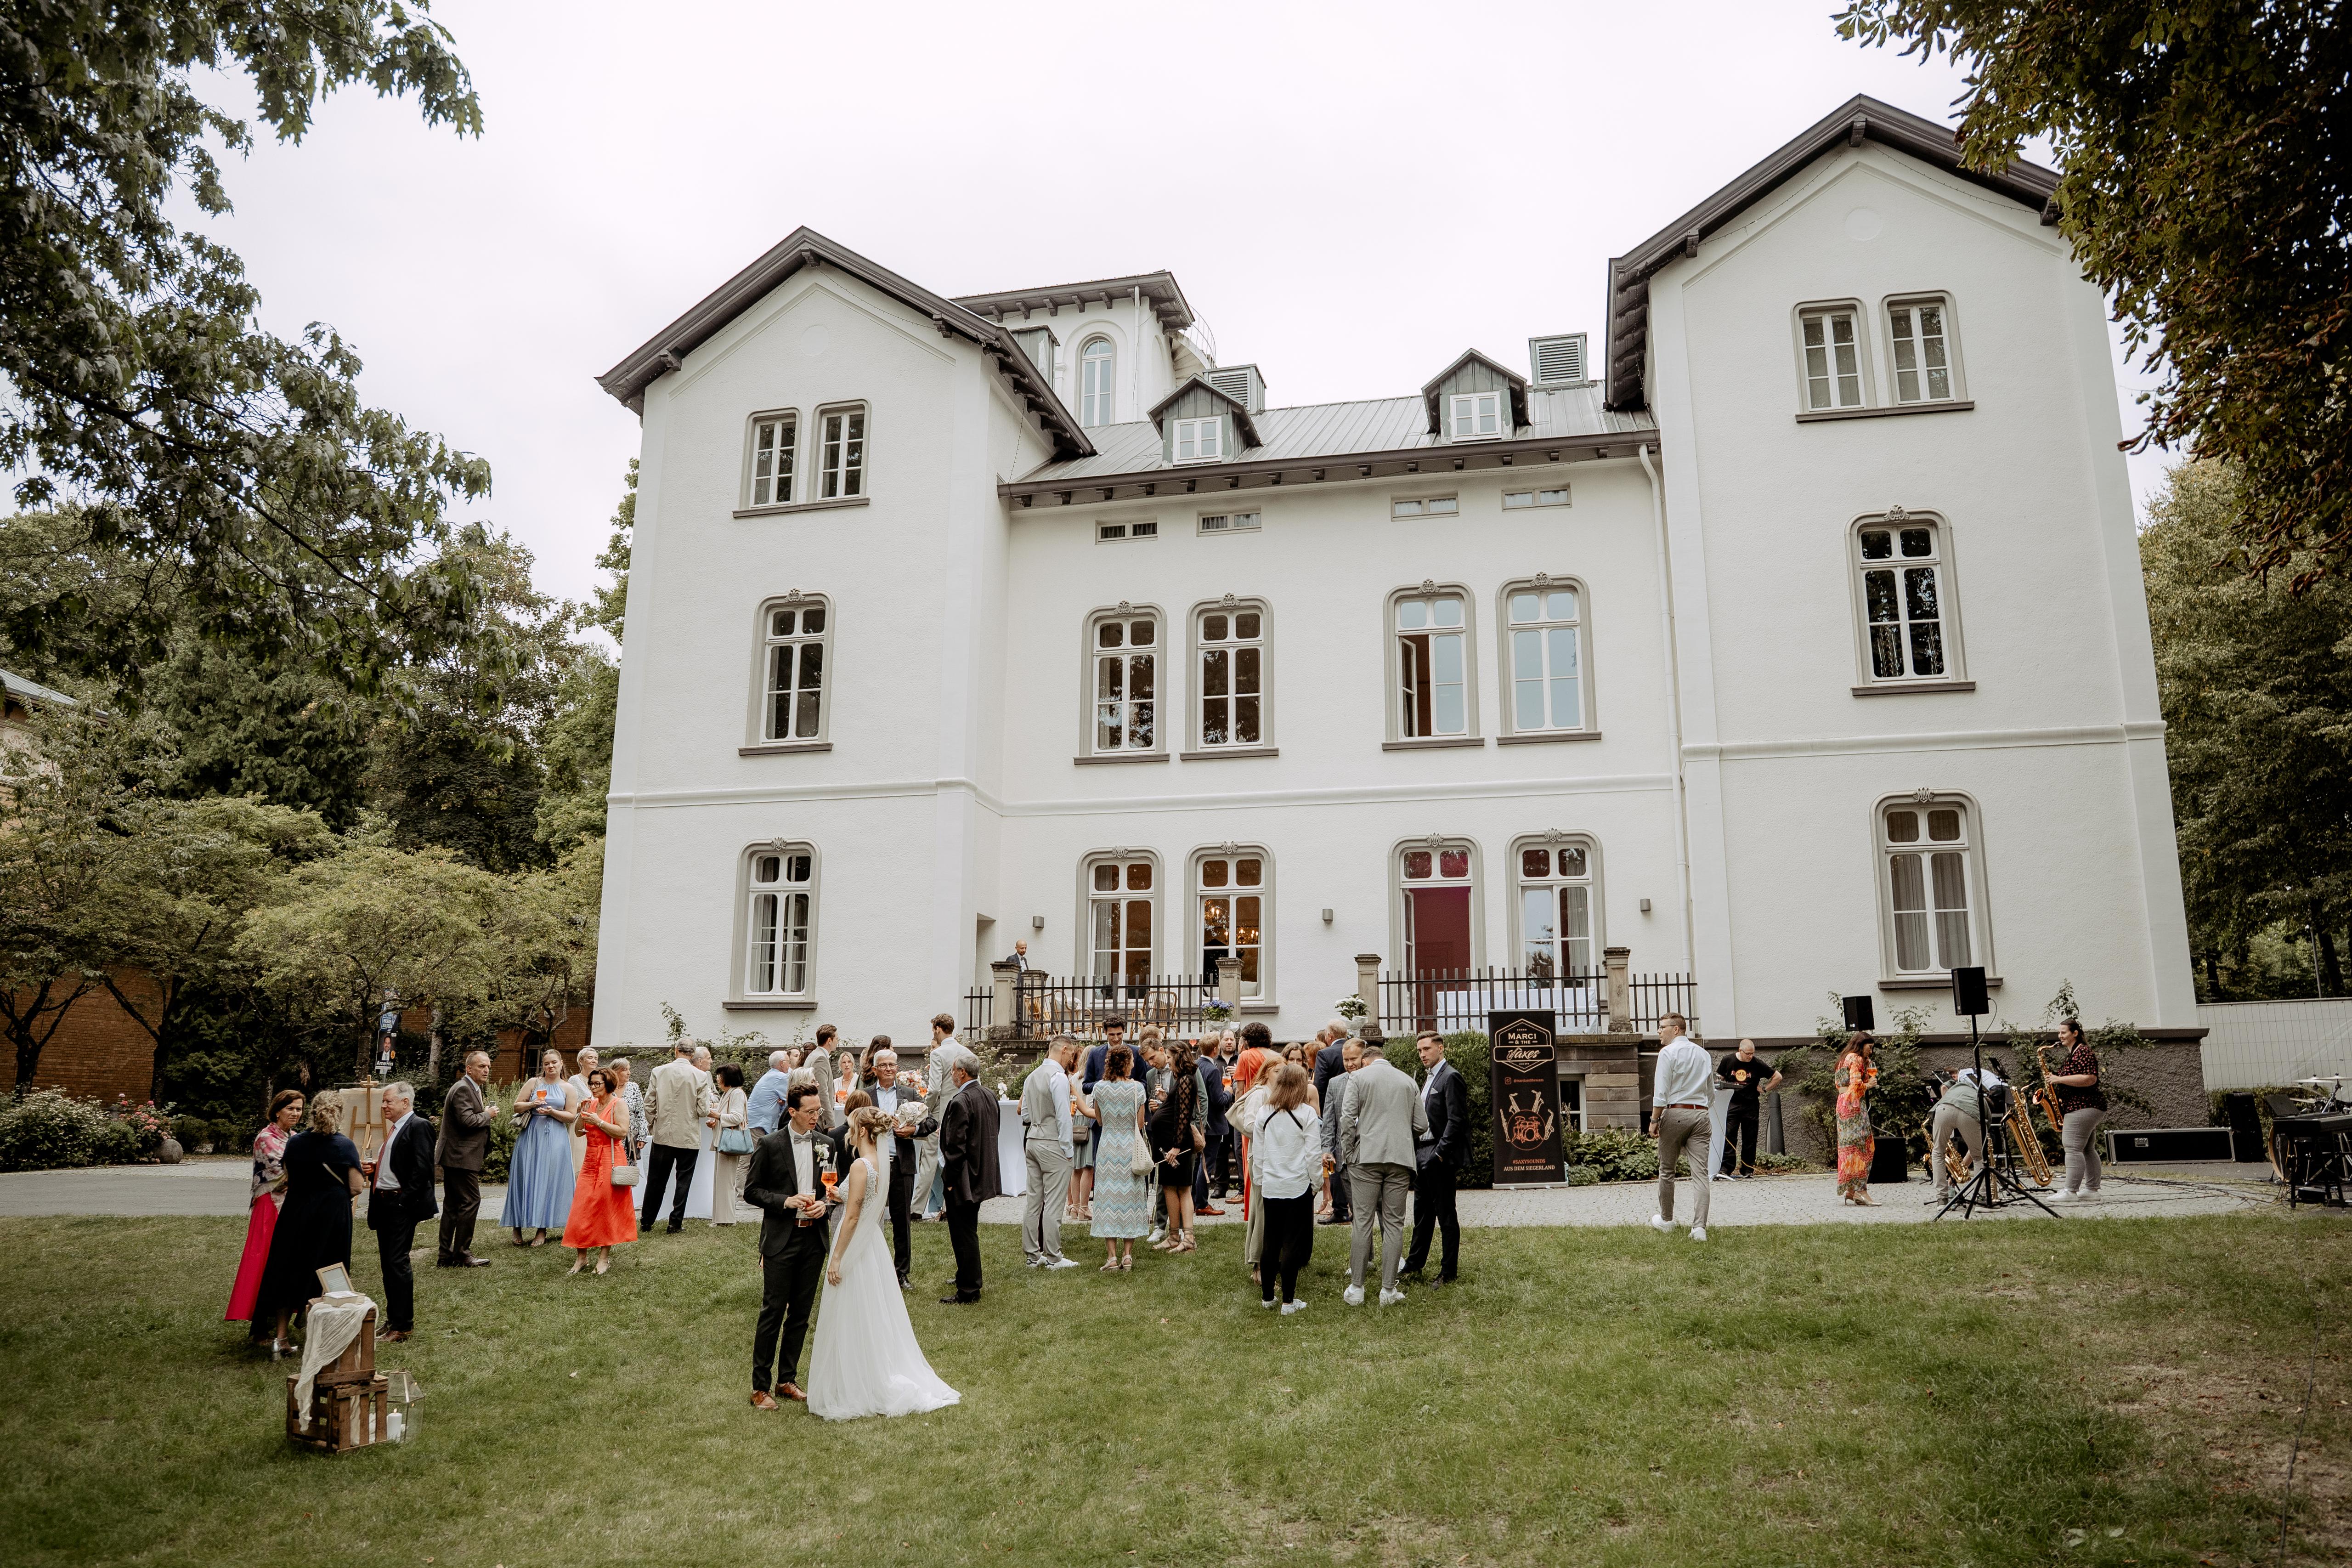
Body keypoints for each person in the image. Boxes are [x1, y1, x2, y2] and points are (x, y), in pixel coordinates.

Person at [807, 1106, 962, 1421]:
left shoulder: (863, 1165)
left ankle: (859, 1382)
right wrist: (840, 1194)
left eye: (851, 1127)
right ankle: (865, 1369)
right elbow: (862, 1202)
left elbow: (852, 1216)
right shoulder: (881, 1162)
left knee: (852, 1310)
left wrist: (837, 1257)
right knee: (870, 1310)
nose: (848, 1132)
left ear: (863, 1131)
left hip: (855, 1243)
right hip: (872, 1243)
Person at [745, 1083, 840, 1408]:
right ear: (793, 1112)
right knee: (773, 1311)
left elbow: (833, 1189)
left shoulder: (826, 1143)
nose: (818, 1116)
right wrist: (785, 1201)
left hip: (813, 1239)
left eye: (819, 1110)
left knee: (800, 1314)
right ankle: (760, 1386)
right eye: (811, 1111)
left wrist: (825, 1206)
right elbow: (752, 1191)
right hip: (781, 1239)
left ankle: (787, 1379)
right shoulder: (771, 1144)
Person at [252, 1092, 366, 1357]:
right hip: (332, 1216)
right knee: (329, 1271)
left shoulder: (296, 1143)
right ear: (339, 1113)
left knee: (287, 1270)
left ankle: (280, 1339)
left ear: (313, 1112)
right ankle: (325, 1338)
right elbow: (357, 1186)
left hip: (297, 1212)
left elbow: (288, 1177)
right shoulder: (345, 1146)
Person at [1340, 1036, 1427, 1307]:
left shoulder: (1358, 1079)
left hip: (1365, 1158)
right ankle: (1388, 1290)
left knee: (1363, 1221)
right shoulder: (1408, 1081)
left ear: (1366, 1060)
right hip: (1400, 1160)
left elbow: (1347, 1119)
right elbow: (1422, 1125)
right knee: (1394, 1223)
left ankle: (1357, 1288)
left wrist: (1349, 1151)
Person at [859, 1038, 938, 1287]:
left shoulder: (909, 1094)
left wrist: (912, 1130)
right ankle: (869, 1267)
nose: (889, 1070)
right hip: (874, 1164)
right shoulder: (866, 1096)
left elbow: (931, 1122)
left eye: (893, 1065)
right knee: (870, 1216)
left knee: (902, 1221)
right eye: (884, 1066)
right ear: (875, 1069)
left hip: (901, 1163)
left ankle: (901, 1272)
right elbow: (855, 1123)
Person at [364, 1081, 437, 1341]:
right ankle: (393, 1319)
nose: (384, 1106)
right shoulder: (395, 1128)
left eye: (388, 1101)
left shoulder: (419, 1126)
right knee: (389, 1265)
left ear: (405, 1103)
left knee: (397, 1263)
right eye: (384, 1102)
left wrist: (403, 1202)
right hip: (384, 1203)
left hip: (399, 1205)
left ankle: (403, 1326)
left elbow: (422, 1170)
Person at [226, 1089, 303, 1334]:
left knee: (287, 1262)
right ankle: (260, 1325)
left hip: (290, 1206)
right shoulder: (266, 1137)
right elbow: (281, 1173)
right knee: (265, 1261)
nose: (296, 1113)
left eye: (299, 1109)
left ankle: (282, 1320)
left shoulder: (294, 1136)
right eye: (291, 1108)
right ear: (278, 1110)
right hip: (270, 1205)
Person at [1252, 1062, 1320, 1313]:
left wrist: (1260, 1179)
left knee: (1270, 1242)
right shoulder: (1306, 1114)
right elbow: (1313, 1154)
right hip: (1298, 1185)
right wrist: (1318, 1182)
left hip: (1271, 1184)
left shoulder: (1264, 1113)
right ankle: (1289, 1302)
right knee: (1292, 1243)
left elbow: (1257, 1152)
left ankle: (1268, 1297)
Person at [936, 1049, 1003, 1304]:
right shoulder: (988, 1095)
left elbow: (955, 1147)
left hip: (963, 1178)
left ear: (962, 1073)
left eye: (953, 1071)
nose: (952, 1075)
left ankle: (969, 1289)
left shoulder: (960, 1101)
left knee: (963, 1233)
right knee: (969, 1229)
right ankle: (965, 1273)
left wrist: (950, 1182)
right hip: (982, 1172)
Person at [1403, 1032, 1467, 1286]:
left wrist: (1440, 1153)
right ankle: (1414, 1265)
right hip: (1421, 1152)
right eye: (1420, 1051)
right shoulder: (1427, 1078)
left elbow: (1457, 1120)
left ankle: (1448, 1271)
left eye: (1427, 1049)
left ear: (1441, 1049)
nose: (1422, 1055)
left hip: (1438, 1155)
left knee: (1446, 1216)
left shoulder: (1451, 1076)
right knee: (1422, 1214)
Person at [562, 1067, 640, 1274]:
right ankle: (581, 1258)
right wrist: (582, 1114)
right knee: (582, 1206)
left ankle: (604, 1258)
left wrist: (599, 1121)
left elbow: (622, 1132)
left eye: (598, 1084)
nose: (593, 1088)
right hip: (590, 1160)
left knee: (607, 1209)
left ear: (609, 1085)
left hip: (611, 1159)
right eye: (591, 1084)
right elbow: (579, 1132)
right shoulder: (591, 1103)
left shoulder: (618, 1104)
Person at [1084, 1043, 1149, 1271]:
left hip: (1108, 1148)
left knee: (1108, 1199)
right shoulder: (1137, 1089)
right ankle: (1127, 1255)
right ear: (1125, 1064)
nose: (1133, 1064)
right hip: (1130, 1147)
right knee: (1130, 1199)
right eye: (1131, 1061)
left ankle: (1112, 1257)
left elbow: (1099, 1121)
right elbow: (1140, 1124)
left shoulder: (1100, 1089)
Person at [1650, 1011, 1715, 1239]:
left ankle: (1667, 1220)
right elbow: (1711, 1092)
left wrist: (1654, 1120)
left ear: (1676, 1029)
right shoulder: (1704, 1054)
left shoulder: (1667, 1053)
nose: (1659, 1031)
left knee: (1667, 1170)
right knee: (1701, 1174)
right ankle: (1699, 1229)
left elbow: (1661, 1093)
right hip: (1701, 1114)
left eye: (1662, 1027)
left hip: (1675, 1113)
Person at [640, 1036, 714, 1234]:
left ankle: (647, 1221)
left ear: (676, 1050)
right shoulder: (700, 1076)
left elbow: (649, 1104)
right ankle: (675, 1223)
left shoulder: (659, 1071)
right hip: (688, 1136)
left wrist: (653, 1124)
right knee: (684, 1181)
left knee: (656, 1179)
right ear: (693, 1055)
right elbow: (702, 1110)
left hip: (663, 1133)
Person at [508, 1049, 580, 1246]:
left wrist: (553, 1112)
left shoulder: (568, 1088)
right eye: (547, 1064)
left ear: (561, 1063)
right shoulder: (534, 1083)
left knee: (549, 1179)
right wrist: (532, 1104)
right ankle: (517, 1227)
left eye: (554, 1063)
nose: (551, 1067)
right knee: (525, 1176)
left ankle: (542, 1229)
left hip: (556, 1137)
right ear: (543, 1066)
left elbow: (572, 1116)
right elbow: (516, 1106)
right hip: (531, 1136)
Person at [1020, 1034, 1080, 1269]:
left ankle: (1032, 1255)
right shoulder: (1058, 1078)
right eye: (1072, 1054)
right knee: (1054, 1203)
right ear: (1064, 1050)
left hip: (1033, 1140)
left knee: (1033, 1202)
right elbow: (1064, 1117)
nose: (1071, 1059)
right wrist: (1068, 1149)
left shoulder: (1032, 1076)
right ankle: (1054, 1256)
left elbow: (1025, 1114)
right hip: (1053, 1142)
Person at [433, 1051, 494, 1268]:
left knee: (452, 1205)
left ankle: (445, 1255)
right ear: (469, 1069)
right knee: (471, 1201)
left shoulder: (470, 1088)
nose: (486, 1070)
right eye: (481, 1066)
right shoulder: (463, 1088)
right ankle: (462, 1254)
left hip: (457, 1155)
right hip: (460, 1156)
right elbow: (467, 1121)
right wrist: (488, 1114)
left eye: (488, 1066)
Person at [2045, 1017, 2109, 1203]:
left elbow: (2090, 1079)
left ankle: (2071, 1192)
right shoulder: (2074, 1052)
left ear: (2075, 1034)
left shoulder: (2083, 1052)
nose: (2060, 1036)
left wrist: (2059, 1080)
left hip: (2083, 1105)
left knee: (2072, 1147)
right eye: (2059, 1033)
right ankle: (2092, 1190)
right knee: (2088, 1149)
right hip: (2086, 1106)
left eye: (2064, 1032)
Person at [1150, 1036, 1203, 1253]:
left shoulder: (1186, 1080)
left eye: (1170, 1057)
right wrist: (1165, 1099)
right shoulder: (1181, 1079)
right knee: (1169, 1188)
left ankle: (1188, 1238)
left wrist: (1176, 1147)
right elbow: (1176, 1108)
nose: (1168, 1061)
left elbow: (1184, 1116)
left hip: (1177, 1146)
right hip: (1169, 1144)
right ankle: (1173, 1236)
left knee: (1183, 1189)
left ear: (1179, 1057)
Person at [1926, 1065, 1994, 1204]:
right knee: (1979, 1157)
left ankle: (1942, 1199)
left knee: (1938, 1153)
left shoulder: (1955, 1087)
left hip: (1943, 1108)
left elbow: (1943, 1088)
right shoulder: (1980, 1099)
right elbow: (1979, 1149)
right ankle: (1982, 1199)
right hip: (1969, 1113)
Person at [1714, 1039, 1781, 1179]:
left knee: (1750, 1138)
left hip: (1750, 1105)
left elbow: (1778, 1077)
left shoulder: (1757, 1064)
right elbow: (1719, 1079)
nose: (1751, 1056)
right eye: (1748, 1054)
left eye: (1753, 1054)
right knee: (1730, 1136)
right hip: (1732, 1103)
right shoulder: (1728, 1060)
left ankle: (1747, 1169)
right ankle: (1726, 1169)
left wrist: (1764, 1089)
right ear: (1740, 1051)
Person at [914, 1014, 960, 1217]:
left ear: (938, 1029)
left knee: (929, 1163)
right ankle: (952, 1207)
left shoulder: (938, 1054)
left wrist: (925, 1110)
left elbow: (933, 1090)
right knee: (955, 1162)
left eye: (933, 1029)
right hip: (960, 1116)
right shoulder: (966, 1052)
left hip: (940, 1115)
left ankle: (916, 1209)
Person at [1317, 1039, 1364, 1227]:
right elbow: (1329, 1121)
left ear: (1364, 1058)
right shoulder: (1335, 1084)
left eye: (1354, 1059)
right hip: (1341, 1154)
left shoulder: (1371, 1081)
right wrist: (1327, 1150)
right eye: (1346, 1060)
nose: (1350, 1064)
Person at [1834, 1032, 1880, 1207]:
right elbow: (1855, 1086)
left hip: (1842, 1104)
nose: (1871, 1051)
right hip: (1854, 1106)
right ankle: (1862, 1191)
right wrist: (1869, 1084)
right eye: (1870, 1047)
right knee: (1865, 1148)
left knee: (1848, 1149)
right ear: (1862, 1045)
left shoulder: (1844, 1058)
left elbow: (1841, 1086)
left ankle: (1851, 1191)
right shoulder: (1857, 1059)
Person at [1197, 1030, 1238, 1209]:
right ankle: (1202, 1203)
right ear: (1215, 1050)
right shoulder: (1213, 1070)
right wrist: (1229, 1092)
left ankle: (1195, 1199)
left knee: (1199, 1163)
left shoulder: (1195, 1065)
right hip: (1213, 1125)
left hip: (1199, 1123)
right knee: (1206, 1166)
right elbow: (1218, 1100)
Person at [709, 1062, 751, 1225]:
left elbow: (736, 1117)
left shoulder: (737, 1094)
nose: (718, 1079)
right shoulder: (729, 1093)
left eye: (721, 1076)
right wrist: (716, 1121)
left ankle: (727, 1219)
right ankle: (720, 1217)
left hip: (730, 1141)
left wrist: (717, 1116)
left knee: (726, 1181)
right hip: (723, 1140)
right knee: (721, 1180)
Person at [566, 1046, 599, 1173]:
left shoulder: (598, 1080)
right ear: (581, 1061)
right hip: (580, 1125)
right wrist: (583, 1105)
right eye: (590, 1058)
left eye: (596, 1059)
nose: (594, 1061)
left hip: (596, 1125)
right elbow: (569, 1106)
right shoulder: (575, 1080)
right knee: (579, 1163)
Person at [749, 1049, 793, 1140]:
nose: (790, 1065)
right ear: (782, 1063)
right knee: (756, 1153)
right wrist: (785, 1101)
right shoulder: (781, 1077)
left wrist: (783, 1101)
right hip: (759, 1123)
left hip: (756, 1121)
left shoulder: (771, 1075)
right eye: (788, 1062)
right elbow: (793, 1099)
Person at [804, 1025, 839, 1128]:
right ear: (830, 1041)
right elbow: (822, 1093)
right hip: (819, 1120)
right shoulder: (821, 1059)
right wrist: (830, 1123)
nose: (838, 1042)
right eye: (837, 1039)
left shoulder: (814, 1055)